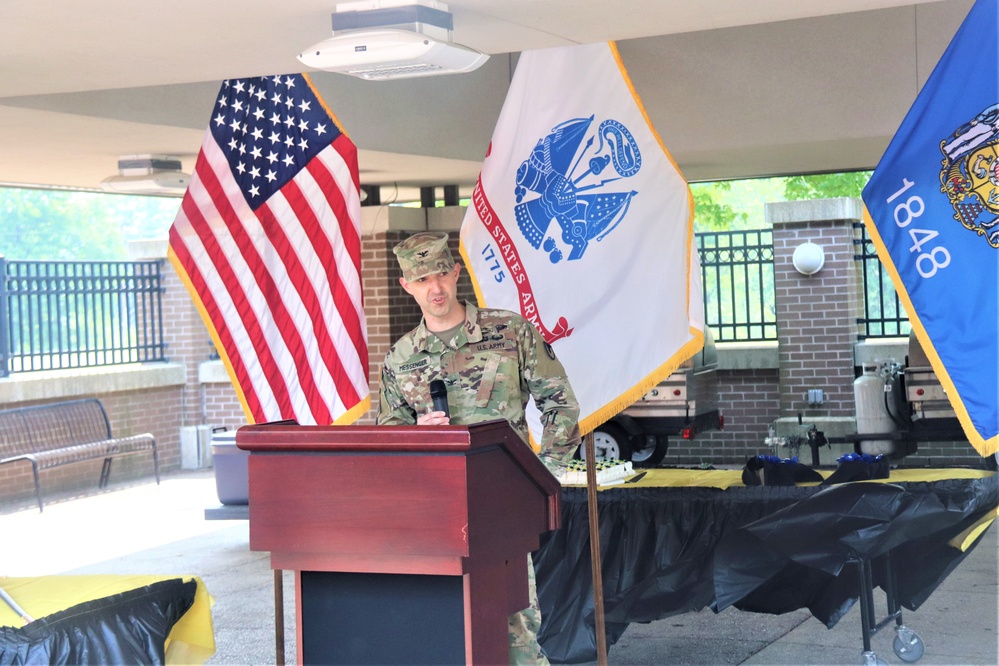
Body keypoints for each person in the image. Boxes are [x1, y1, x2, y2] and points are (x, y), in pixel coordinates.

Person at [377, 231, 582, 665]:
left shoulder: (508, 331)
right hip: (435, 515)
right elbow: (388, 441)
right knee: (440, 633)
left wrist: (542, 479)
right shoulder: (400, 358)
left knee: (515, 633)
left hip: (502, 507)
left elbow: (560, 405)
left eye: (440, 276)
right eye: (422, 280)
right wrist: (418, 434)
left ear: (455, 273)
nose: (435, 289)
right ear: (406, 286)